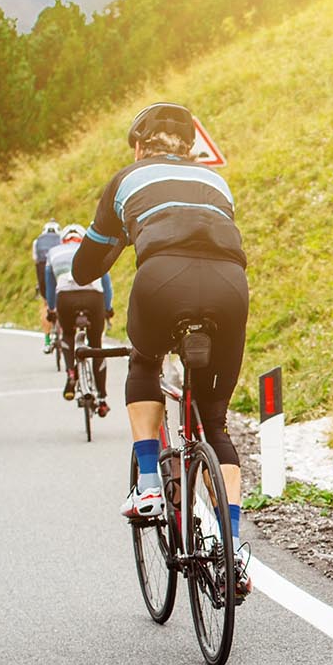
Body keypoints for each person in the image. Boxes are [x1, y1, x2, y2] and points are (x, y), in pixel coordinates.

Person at [71, 102, 250, 593]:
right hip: (229, 286)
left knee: (144, 360)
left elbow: (86, 267)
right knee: (215, 423)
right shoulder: (217, 183)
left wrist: (120, 241)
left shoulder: (127, 178)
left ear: (139, 146)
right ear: (191, 148)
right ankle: (231, 547)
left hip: (161, 281)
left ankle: (149, 484)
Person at [46, 224, 115, 412]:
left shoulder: (54, 252)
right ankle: (101, 397)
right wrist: (108, 308)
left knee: (67, 333)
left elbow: (50, 286)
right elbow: (106, 283)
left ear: (64, 240)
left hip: (66, 298)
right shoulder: (93, 251)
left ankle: (70, 374)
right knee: (96, 345)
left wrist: (52, 309)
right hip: (93, 297)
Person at [32, 220, 64, 352]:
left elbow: (35, 260)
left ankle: (47, 340)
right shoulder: (62, 239)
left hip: (42, 272)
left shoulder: (37, 242)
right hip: (58, 271)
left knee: (46, 304)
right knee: (62, 301)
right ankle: (63, 334)